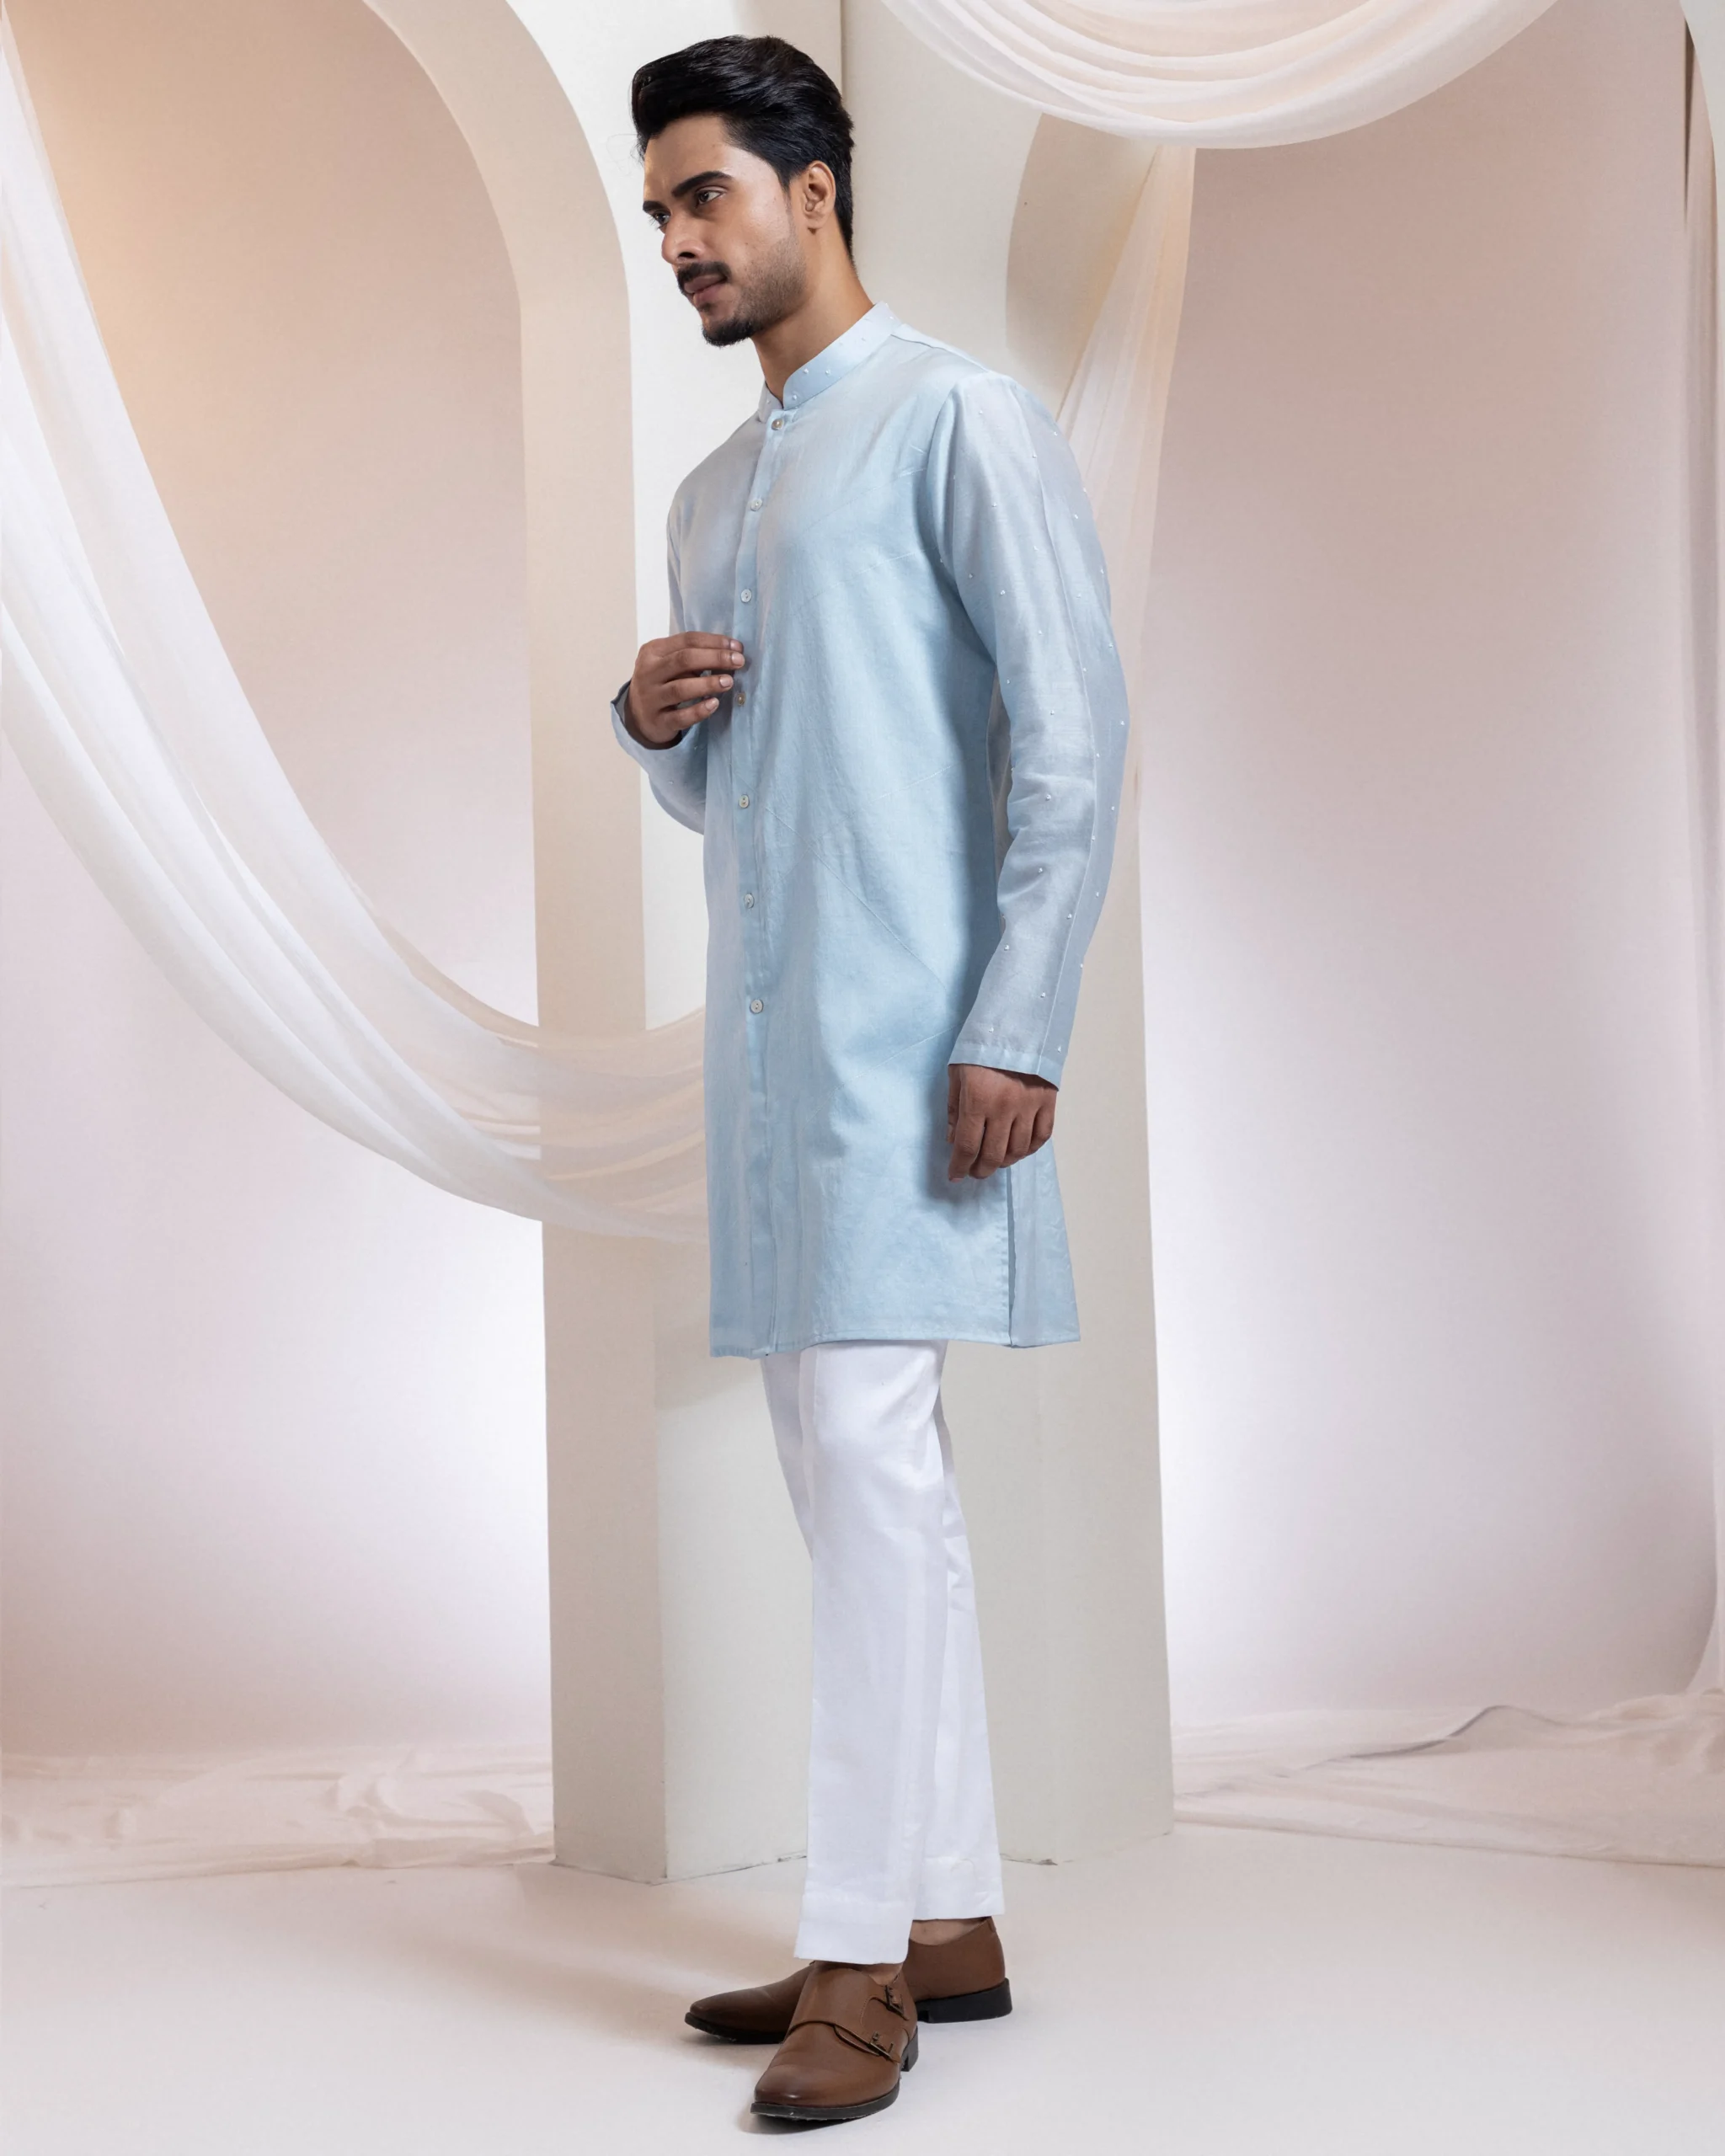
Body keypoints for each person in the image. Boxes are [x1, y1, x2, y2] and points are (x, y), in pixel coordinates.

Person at [615, 34, 1128, 2127]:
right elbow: (739, 795)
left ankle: (856, 1964)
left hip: (917, 1041)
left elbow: (1071, 735)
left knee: (870, 1461)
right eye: (658, 210)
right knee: (856, 1485)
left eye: (705, 195)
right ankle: (950, 1911)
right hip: (770, 1058)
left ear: (811, 189)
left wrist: (1019, 1018)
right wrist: (654, 719)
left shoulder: (956, 417)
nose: (678, 240)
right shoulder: (711, 496)